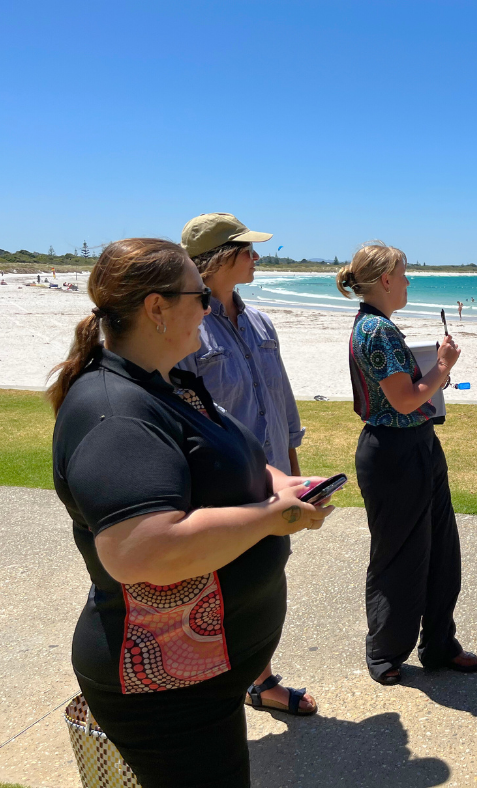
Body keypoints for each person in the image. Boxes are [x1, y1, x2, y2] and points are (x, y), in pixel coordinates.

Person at [49, 238, 335, 788]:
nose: (209, 307)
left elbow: (225, 458)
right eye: (199, 295)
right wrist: (275, 516)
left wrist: (280, 483)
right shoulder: (114, 413)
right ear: (157, 309)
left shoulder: (169, 382)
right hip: (167, 686)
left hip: (209, 670)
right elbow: (143, 548)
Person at [176, 213, 314, 716]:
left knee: (265, 583)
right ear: (216, 261)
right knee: (222, 587)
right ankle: (229, 685)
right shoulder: (186, 326)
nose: (256, 258)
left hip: (274, 477)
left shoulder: (259, 321)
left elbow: (280, 397)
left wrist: (294, 468)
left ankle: (258, 679)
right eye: (246, 251)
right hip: (222, 485)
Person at [337, 242, 477, 685]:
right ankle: (384, 652)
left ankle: (439, 643)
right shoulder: (375, 330)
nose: (407, 282)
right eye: (403, 275)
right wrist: (442, 366)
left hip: (417, 444)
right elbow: (403, 401)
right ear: (384, 280)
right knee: (399, 556)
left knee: (441, 548)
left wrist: (434, 371)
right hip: (393, 452)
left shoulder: (382, 325)